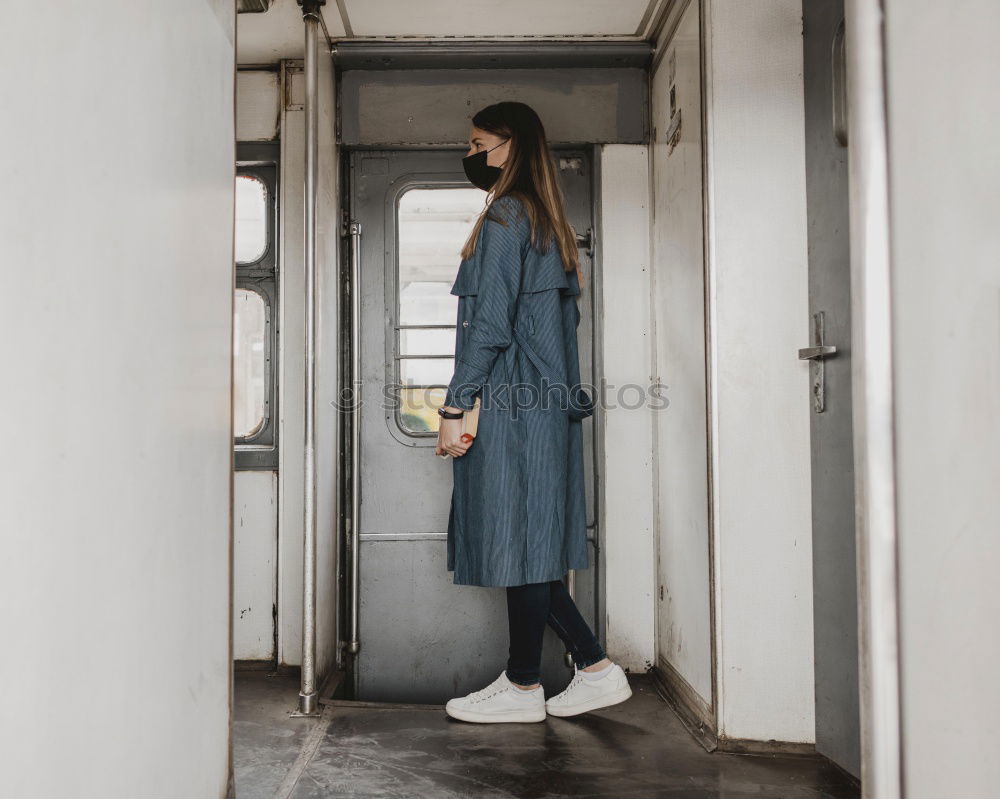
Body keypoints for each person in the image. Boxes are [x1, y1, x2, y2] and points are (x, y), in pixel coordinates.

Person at [434, 101, 632, 723]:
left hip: (513, 406)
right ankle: (590, 668)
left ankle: (525, 687)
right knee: (532, 541)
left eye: (477, 143)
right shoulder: (547, 222)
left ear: (508, 146)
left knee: (520, 542)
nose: (470, 155)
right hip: (541, 408)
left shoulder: (505, 220)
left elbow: (490, 328)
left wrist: (454, 404)